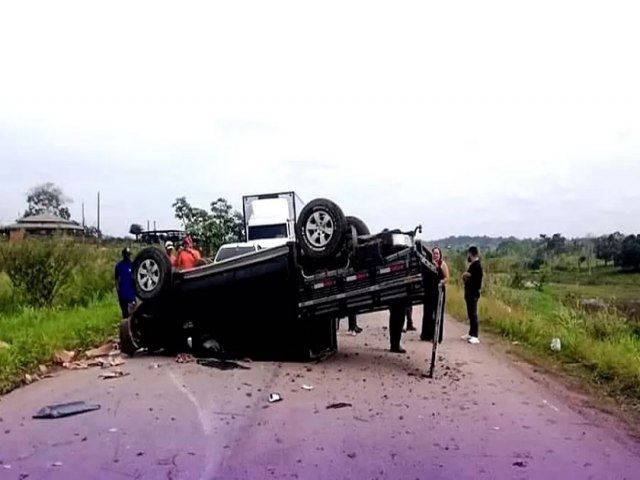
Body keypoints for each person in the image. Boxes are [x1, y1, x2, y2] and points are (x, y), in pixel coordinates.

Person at [421, 247, 450, 342]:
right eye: (434, 253)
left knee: (438, 314)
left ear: (440, 255)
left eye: (437, 253)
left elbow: (447, 278)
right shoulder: (428, 263)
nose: (435, 255)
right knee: (428, 313)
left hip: (439, 291)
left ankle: (437, 336)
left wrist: (441, 282)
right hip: (429, 291)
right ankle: (426, 335)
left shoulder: (443, 264)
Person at [462, 246, 483, 345]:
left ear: (471, 253)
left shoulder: (477, 266)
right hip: (469, 293)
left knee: (473, 314)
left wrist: (467, 277)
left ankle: (475, 335)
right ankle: (471, 333)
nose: (468, 256)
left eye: (468, 254)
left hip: (473, 293)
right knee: (470, 314)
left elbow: (477, 282)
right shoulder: (473, 265)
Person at [115, 247, 136, 319]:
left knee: (132, 314)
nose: (128, 256)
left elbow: (135, 279)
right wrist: (118, 291)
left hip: (131, 294)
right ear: (123, 255)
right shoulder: (119, 266)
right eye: (126, 255)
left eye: (128, 255)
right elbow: (116, 280)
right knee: (125, 314)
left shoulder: (133, 265)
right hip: (123, 294)